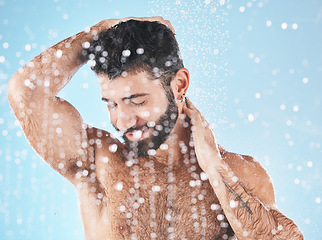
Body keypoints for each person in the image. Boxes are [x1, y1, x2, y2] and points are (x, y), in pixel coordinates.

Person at [7, 16, 303, 240]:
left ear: (179, 85)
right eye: (111, 104)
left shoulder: (239, 173)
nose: (122, 121)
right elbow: (25, 91)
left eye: (136, 101)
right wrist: (103, 30)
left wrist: (214, 167)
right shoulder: (100, 163)